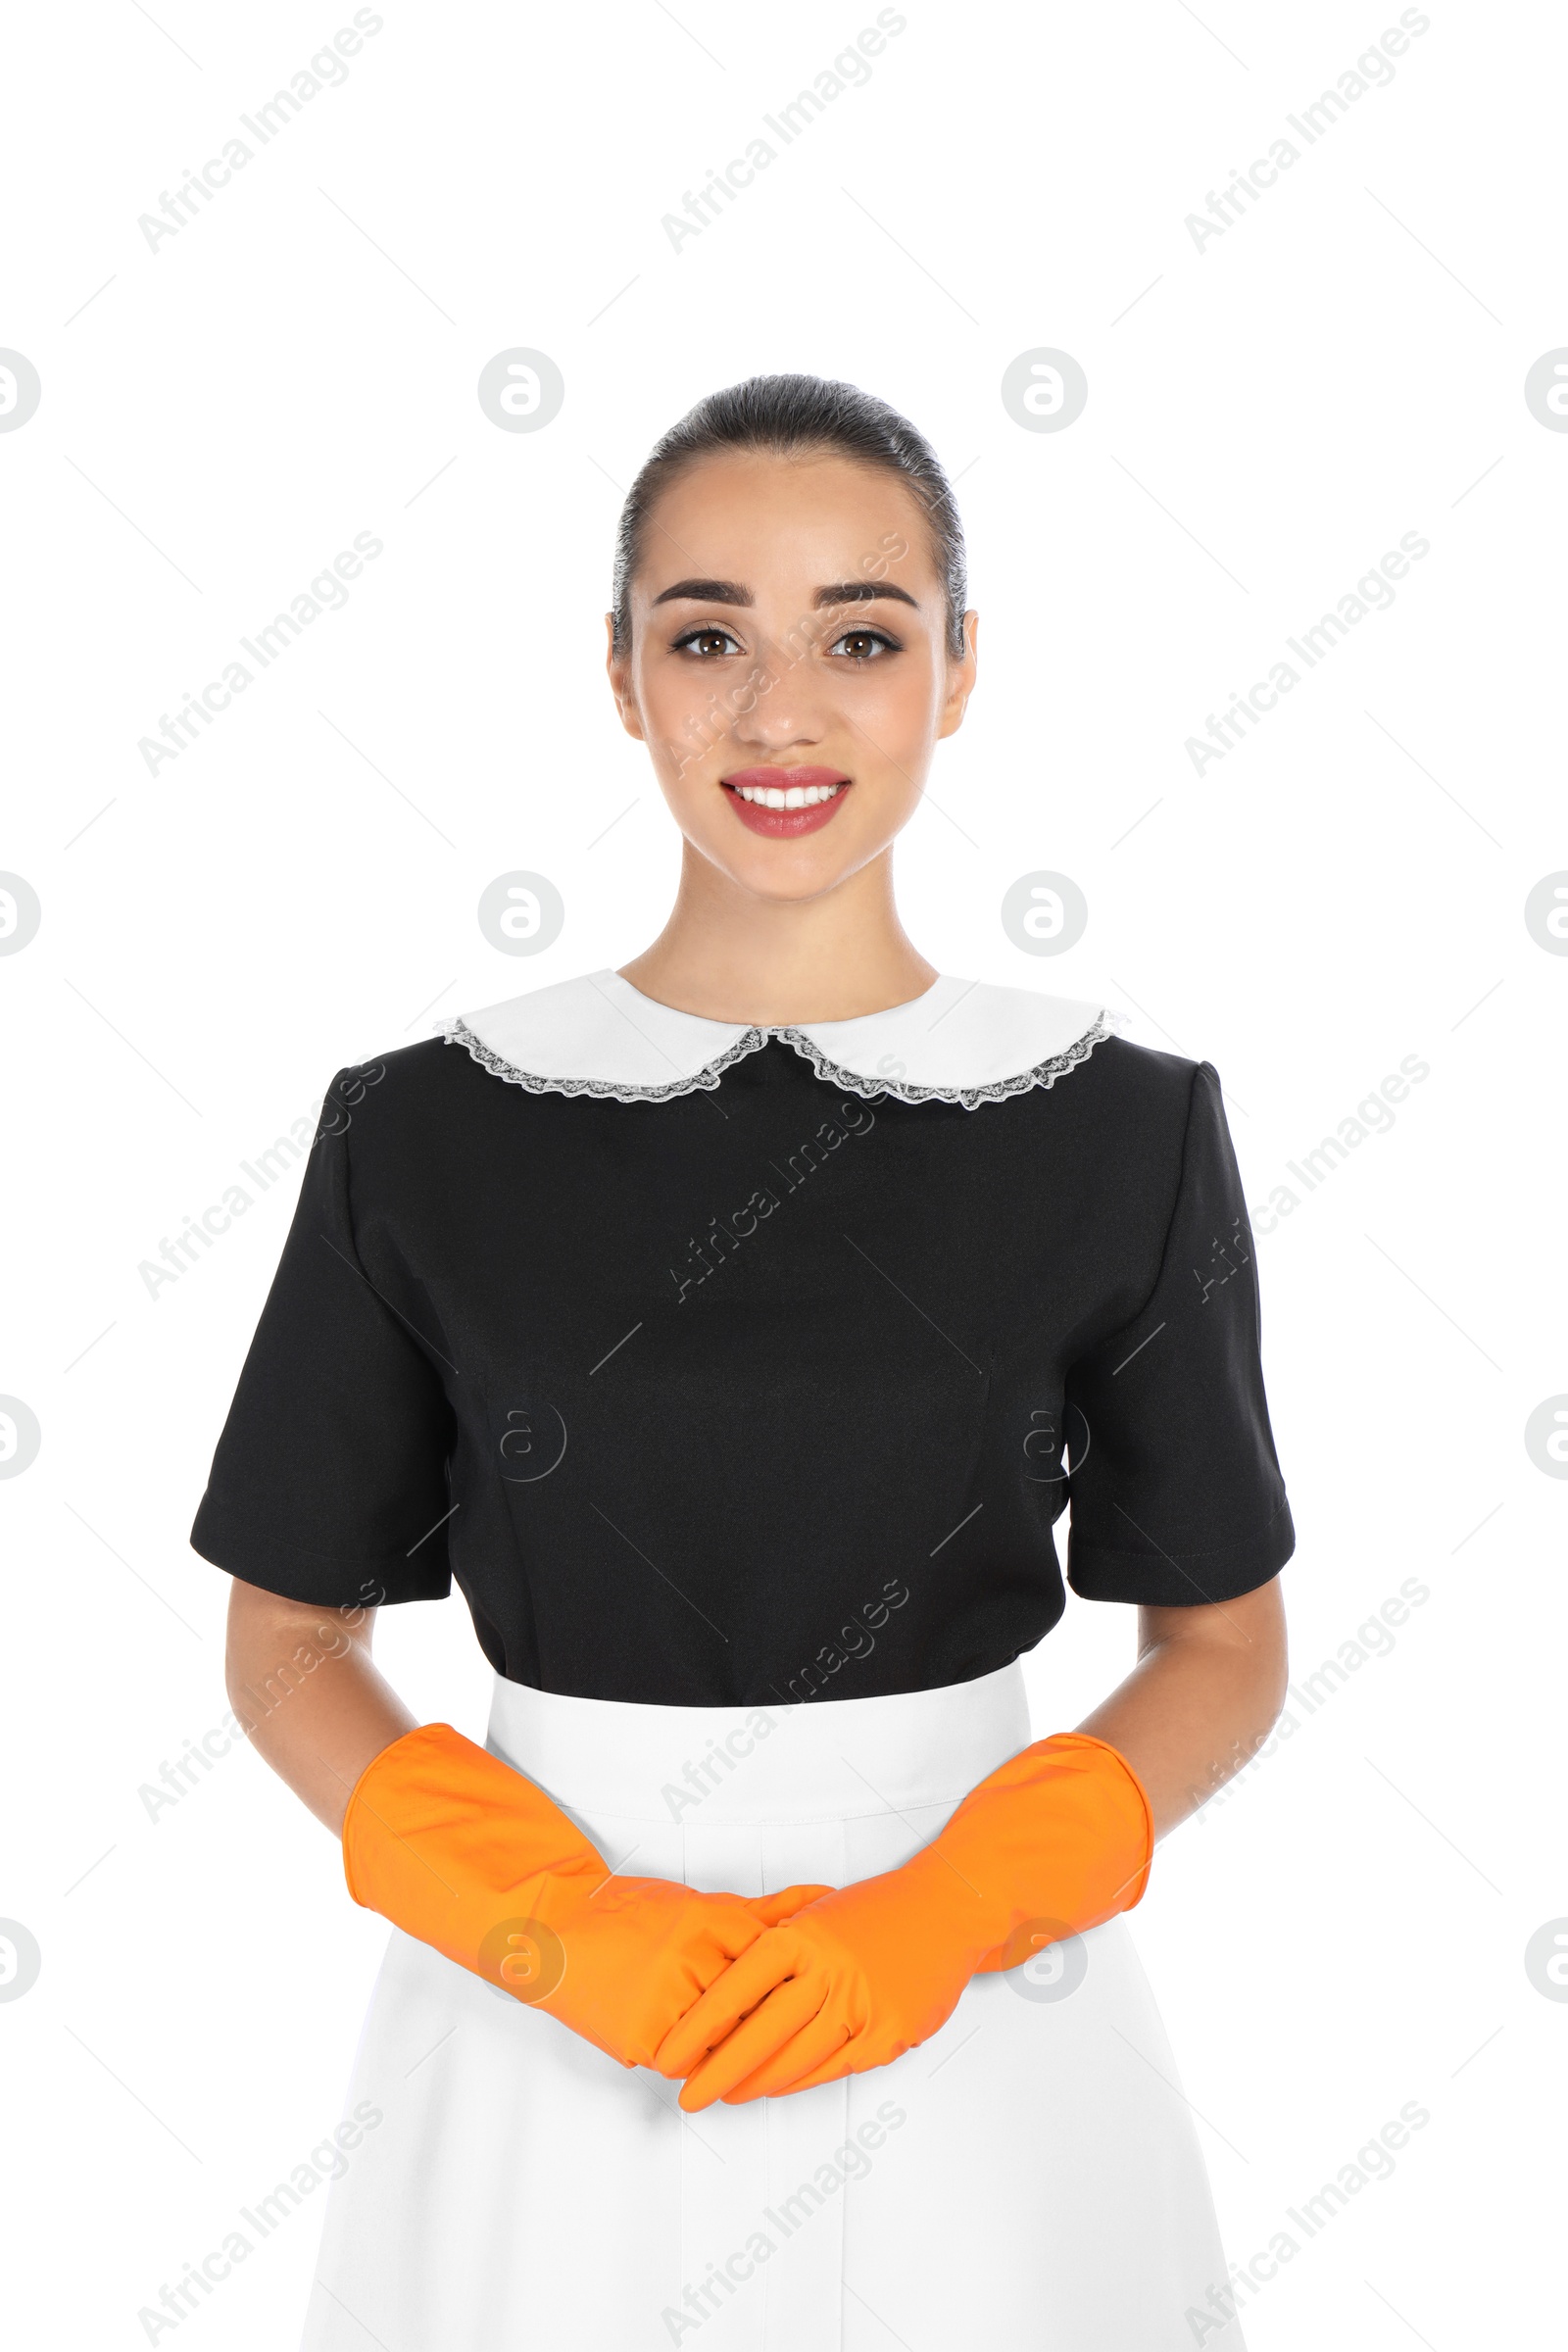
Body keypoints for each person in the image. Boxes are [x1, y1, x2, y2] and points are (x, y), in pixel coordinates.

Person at [196, 373, 1293, 2349]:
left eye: (859, 637)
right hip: (541, 2056)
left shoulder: (1120, 1129)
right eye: (706, 635)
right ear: (620, 677)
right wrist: (565, 1928)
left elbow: (1218, 1646)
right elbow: (286, 1643)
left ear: (957, 672)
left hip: (986, 2054)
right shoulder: (422, 1131)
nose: (777, 713)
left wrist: (939, 1920)